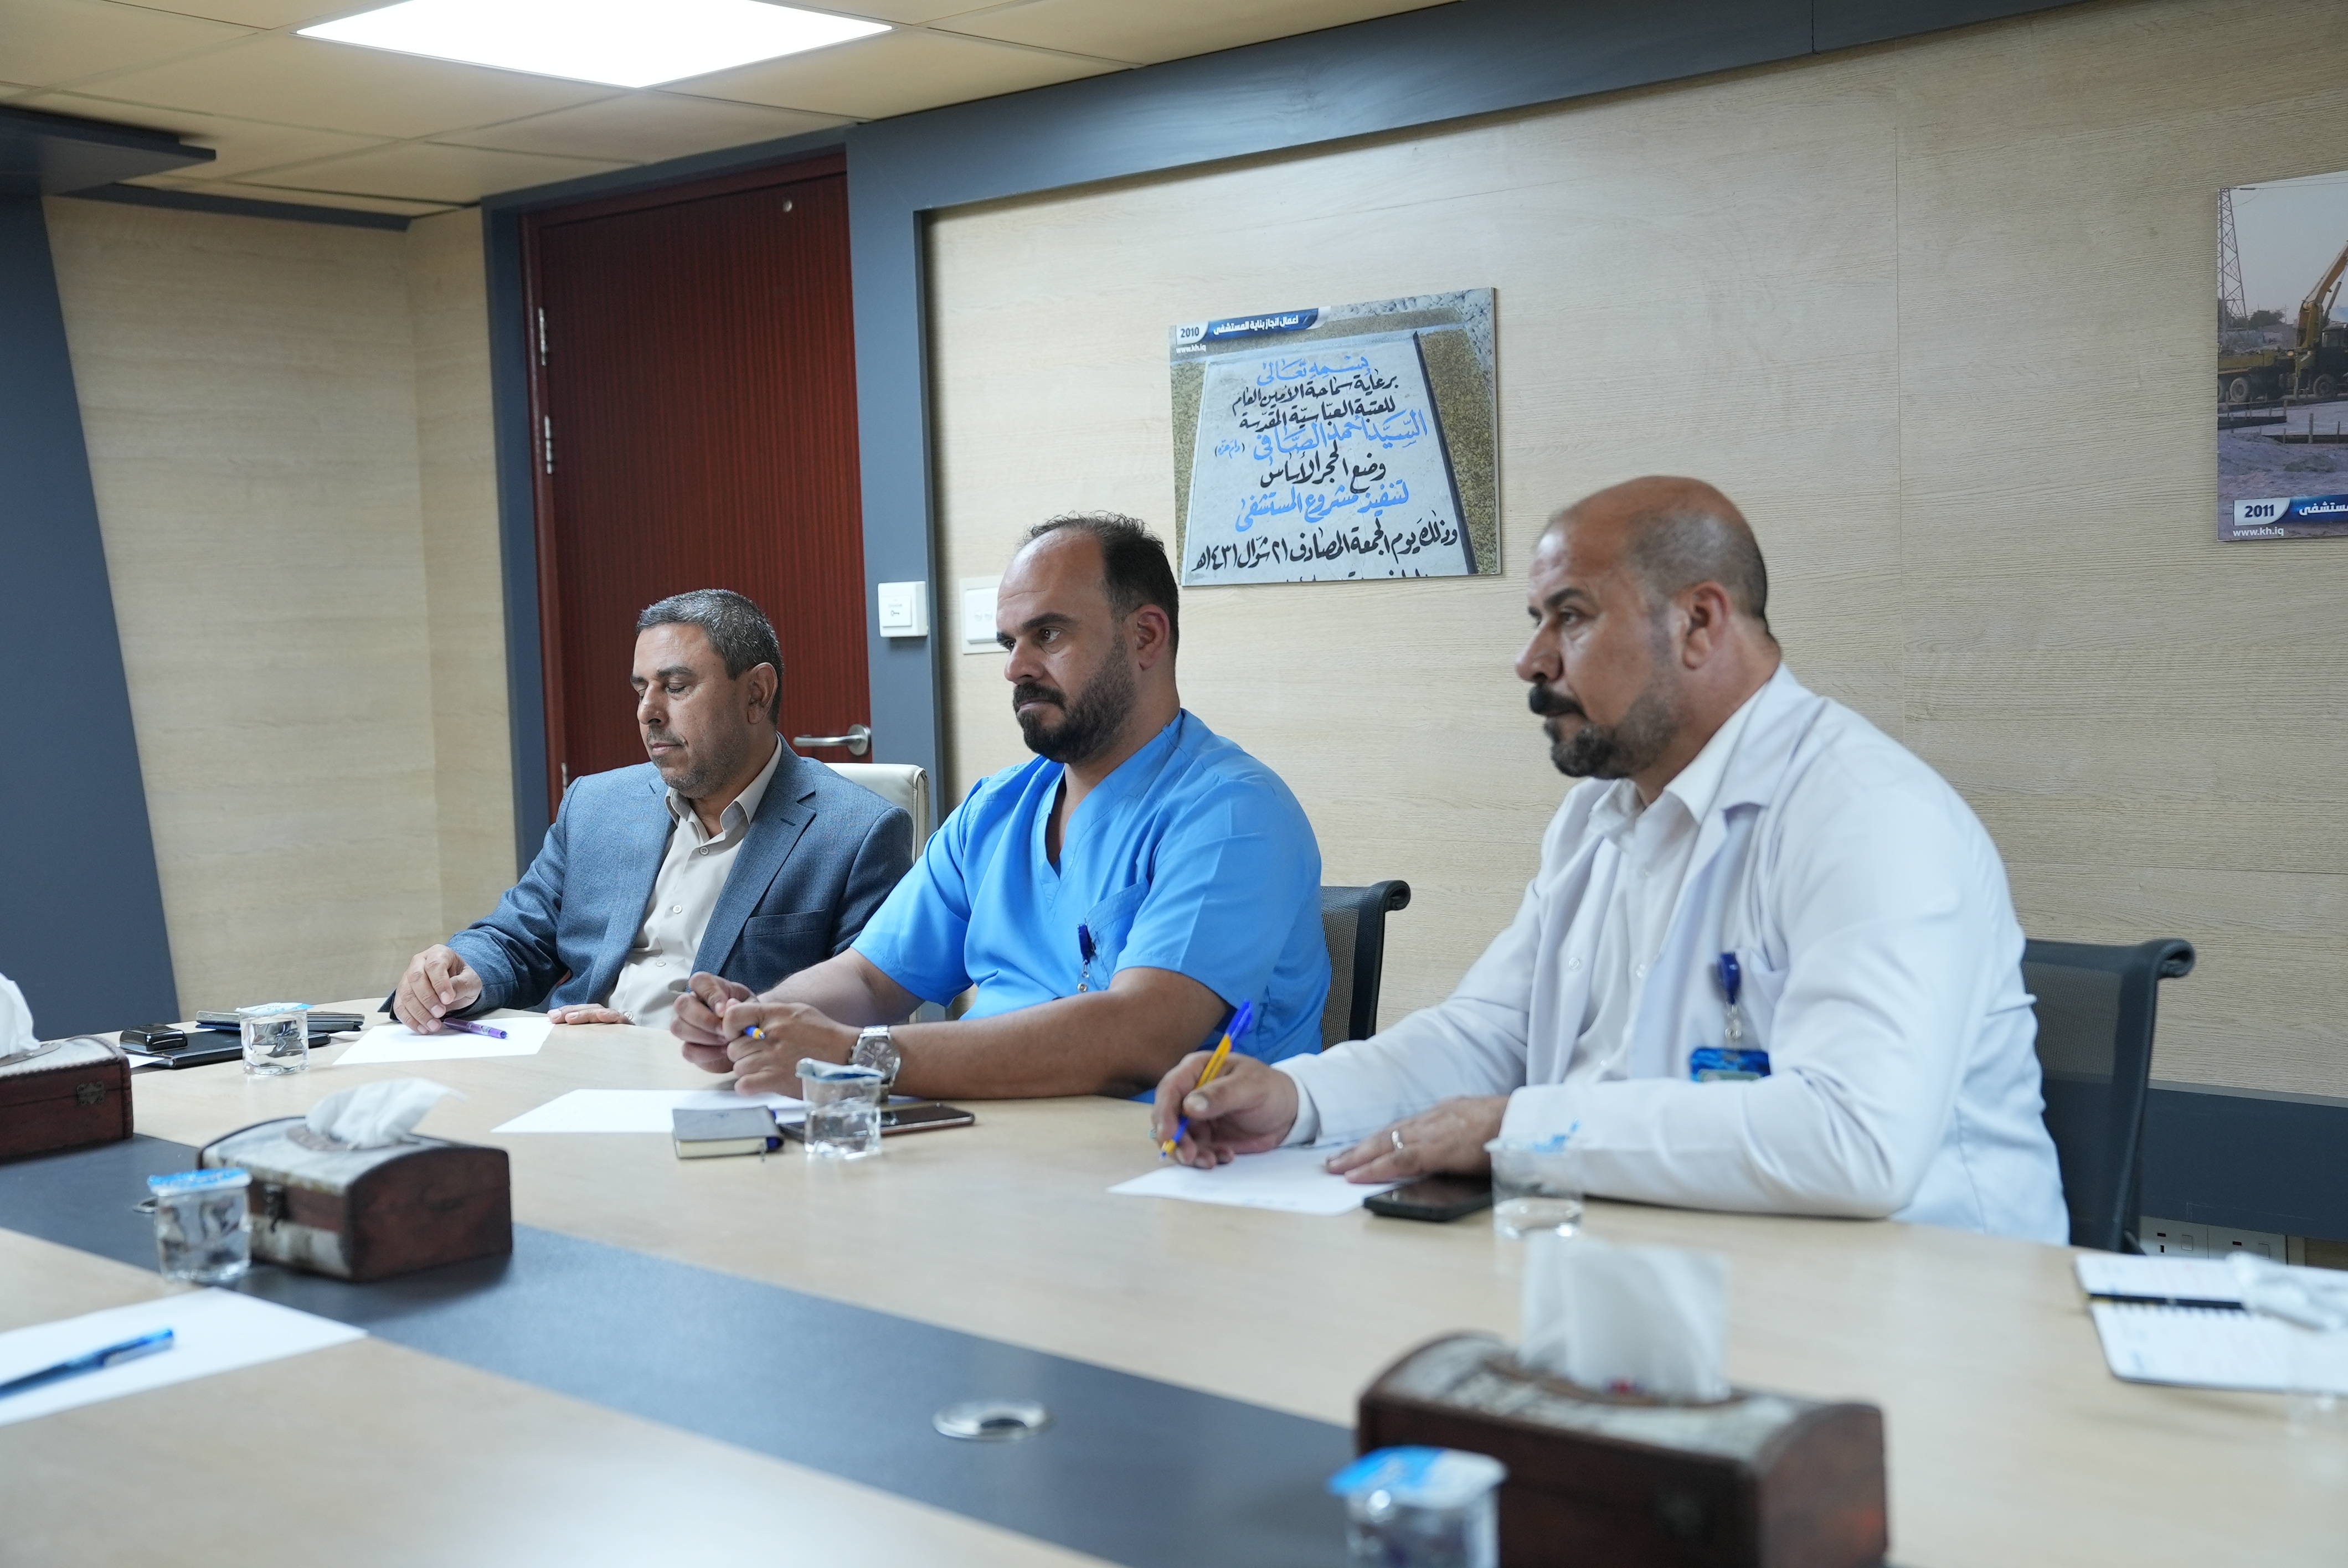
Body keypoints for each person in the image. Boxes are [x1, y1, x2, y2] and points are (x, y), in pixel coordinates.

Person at [1153, 476, 2068, 1242]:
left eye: (1571, 617)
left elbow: (1854, 1139)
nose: (1530, 660)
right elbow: (1488, 1036)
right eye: (1536, 620)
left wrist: (1519, 1130)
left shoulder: (1867, 815)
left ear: (1699, 622)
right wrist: (1296, 1097)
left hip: (1920, 1315)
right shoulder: (1598, 814)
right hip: (1659, 1265)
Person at [673, 513, 1330, 1101]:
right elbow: (872, 981)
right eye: (1008, 642)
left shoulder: (1233, 813)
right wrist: (754, 1020)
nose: (1016, 667)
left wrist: (858, 1057)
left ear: (1145, 637)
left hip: (1163, 1163)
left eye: (1048, 634)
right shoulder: (997, 809)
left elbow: (1141, 1037)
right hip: (989, 1146)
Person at [392, 590, 912, 1035]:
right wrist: (460, 974)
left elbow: (866, 1006)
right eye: (641, 690)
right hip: (576, 1068)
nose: (647, 712)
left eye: (676, 688)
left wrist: (661, 1041)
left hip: (722, 1083)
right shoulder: (596, 805)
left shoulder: (856, 832)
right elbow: (517, 938)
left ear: (757, 694)